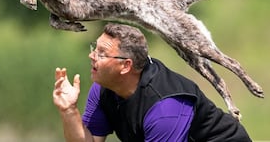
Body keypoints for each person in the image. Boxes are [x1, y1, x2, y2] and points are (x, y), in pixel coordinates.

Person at [53, 23, 251, 142]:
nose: (91, 56)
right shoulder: (103, 88)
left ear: (125, 66)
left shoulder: (165, 107)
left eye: (102, 53)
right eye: (94, 49)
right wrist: (69, 111)